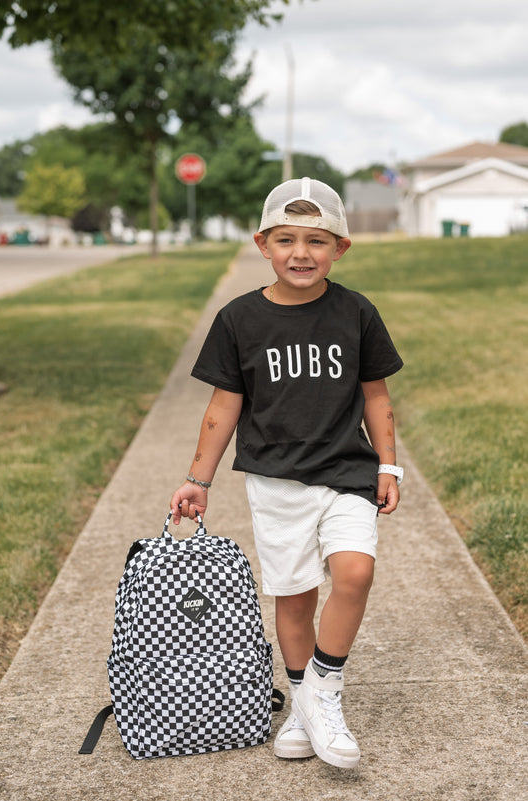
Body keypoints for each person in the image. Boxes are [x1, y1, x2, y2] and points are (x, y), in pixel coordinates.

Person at [170, 177, 403, 770]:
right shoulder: (239, 319)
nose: (301, 253)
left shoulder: (356, 313)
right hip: (274, 481)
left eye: (317, 241)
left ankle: (324, 694)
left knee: (354, 574)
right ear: (262, 244)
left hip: (346, 474)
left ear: (340, 247)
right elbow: (223, 408)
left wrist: (388, 463)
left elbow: (376, 397)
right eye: (286, 240)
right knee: (295, 597)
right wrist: (198, 479)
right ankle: (302, 706)